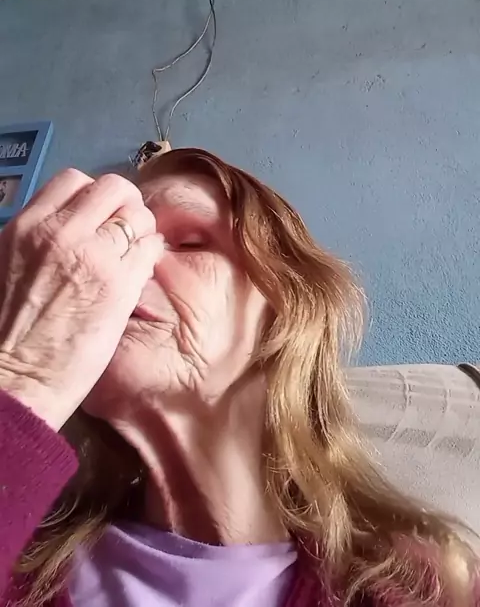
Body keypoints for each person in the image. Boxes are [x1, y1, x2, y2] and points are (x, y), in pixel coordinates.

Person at [0, 147, 477, 607]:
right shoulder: (19, 560)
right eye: (117, 239)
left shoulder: (426, 590)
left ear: (286, 317)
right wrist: (26, 376)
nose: (111, 269)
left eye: (189, 242)